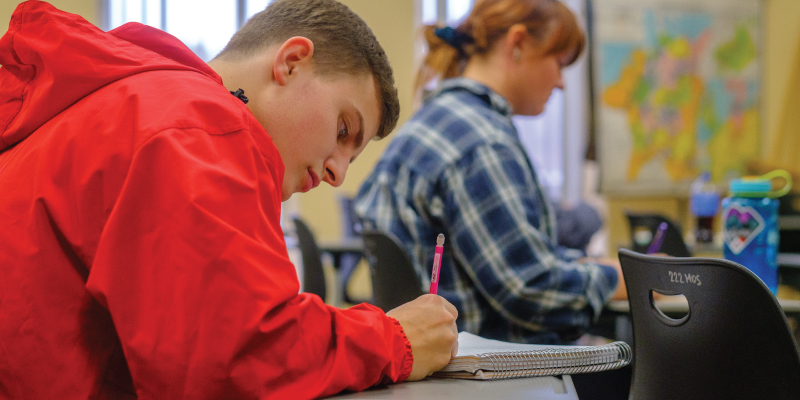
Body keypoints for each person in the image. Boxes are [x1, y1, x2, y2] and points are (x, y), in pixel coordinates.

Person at [0, 0, 458, 399]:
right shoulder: (198, 126)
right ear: (292, 62)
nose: (337, 173)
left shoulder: (132, 101)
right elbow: (232, 362)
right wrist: (396, 339)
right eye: (343, 130)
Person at [355, 0, 626, 345]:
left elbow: (519, 260)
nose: (561, 84)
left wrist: (587, 265)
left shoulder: (439, 120)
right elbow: (529, 288)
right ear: (517, 44)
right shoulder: (480, 142)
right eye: (558, 63)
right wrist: (627, 278)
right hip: (495, 368)